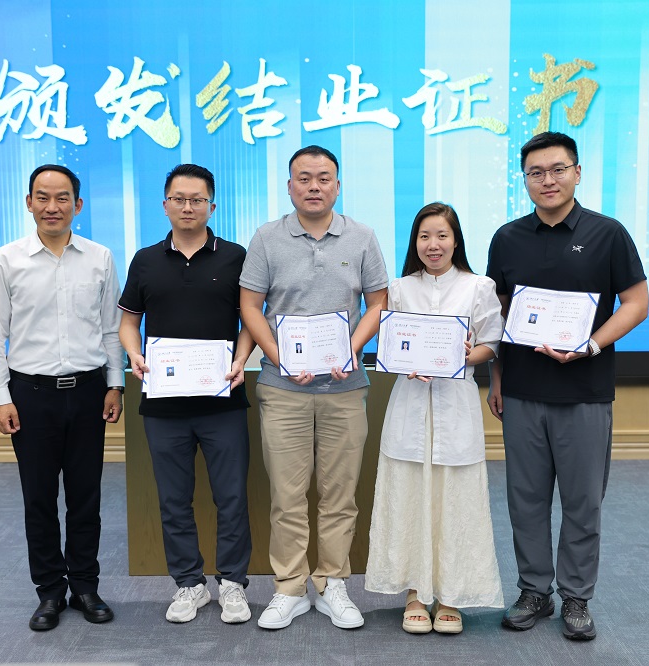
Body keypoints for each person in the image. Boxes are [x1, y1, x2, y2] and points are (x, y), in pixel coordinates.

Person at [486, 132, 649, 640]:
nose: (548, 180)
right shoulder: (507, 238)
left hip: (585, 390)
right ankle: (534, 590)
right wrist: (496, 378)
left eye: (558, 169)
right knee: (525, 500)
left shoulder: (608, 234)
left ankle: (576, 597)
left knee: (582, 501)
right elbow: (498, 316)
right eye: (536, 172)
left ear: (577, 172)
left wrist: (592, 345)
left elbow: (637, 303)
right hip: (522, 391)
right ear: (525, 180)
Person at [239, 145, 388, 630]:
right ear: (290, 187)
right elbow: (250, 307)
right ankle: (289, 587)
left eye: (324, 178)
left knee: (339, 494)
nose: (314, 187)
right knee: (287, 495)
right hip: (283, 389)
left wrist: (350, 349)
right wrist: (280, 357)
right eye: (304, 178)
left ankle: (331, 583)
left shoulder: (362, 236)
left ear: (337, 185)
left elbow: (378, 302)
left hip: (345, 388)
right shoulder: (267, 238)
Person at [0, 164, 124, 631]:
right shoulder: (5, 260)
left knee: (86, 497)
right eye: (42, 197)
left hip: (88, 393)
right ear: (29, 203)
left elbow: (111, 329)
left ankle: (85, 586)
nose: (52, 206)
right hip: (31, 395)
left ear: (77, 205)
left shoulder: (100, 257)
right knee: (39, 499)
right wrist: (1, 397)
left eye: (62, 198)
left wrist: (115, 384)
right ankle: (49, 591)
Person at [118, 164, 254, 624]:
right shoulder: (145, 260)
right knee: (173, 500)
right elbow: (128, 321)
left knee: (231, 497)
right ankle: (189, 584)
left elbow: (251, 320)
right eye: (179, 199)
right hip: (164, 404)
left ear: (212, 206)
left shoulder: (235, 257)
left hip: (223, 401)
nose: (188, 207)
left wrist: (241, 360)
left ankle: (232, 583)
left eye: (197, 199)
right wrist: (134, 355)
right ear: (165, 205)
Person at [365, 203, 506, 635]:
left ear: (456, 240)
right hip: (410, 404)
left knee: (454, 497)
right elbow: (390, 344)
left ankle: (450, 596)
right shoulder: (399, 288)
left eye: (442, 235)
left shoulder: (479, 287)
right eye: (424, 236)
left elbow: (492, 343)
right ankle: (414, 593)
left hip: (456, 405)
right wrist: (402, 358)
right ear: (415, 242)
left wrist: (466, 355)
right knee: (410, 493)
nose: (433, 245)